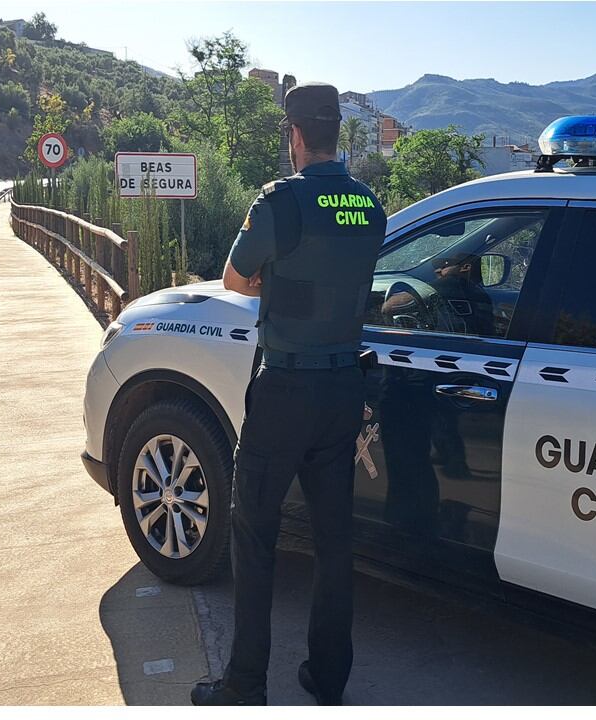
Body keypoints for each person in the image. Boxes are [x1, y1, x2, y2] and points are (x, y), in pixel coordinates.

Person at [191, 83, 387, 706]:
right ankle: (328, 677)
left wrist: (276, 283)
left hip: (285, 390)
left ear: (295, 135)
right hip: (342, 393)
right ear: (336, 134)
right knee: (334, 541)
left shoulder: (280, 201)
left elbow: (234, 277)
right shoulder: (371, 207)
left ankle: (245, 684)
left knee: (253, 531)